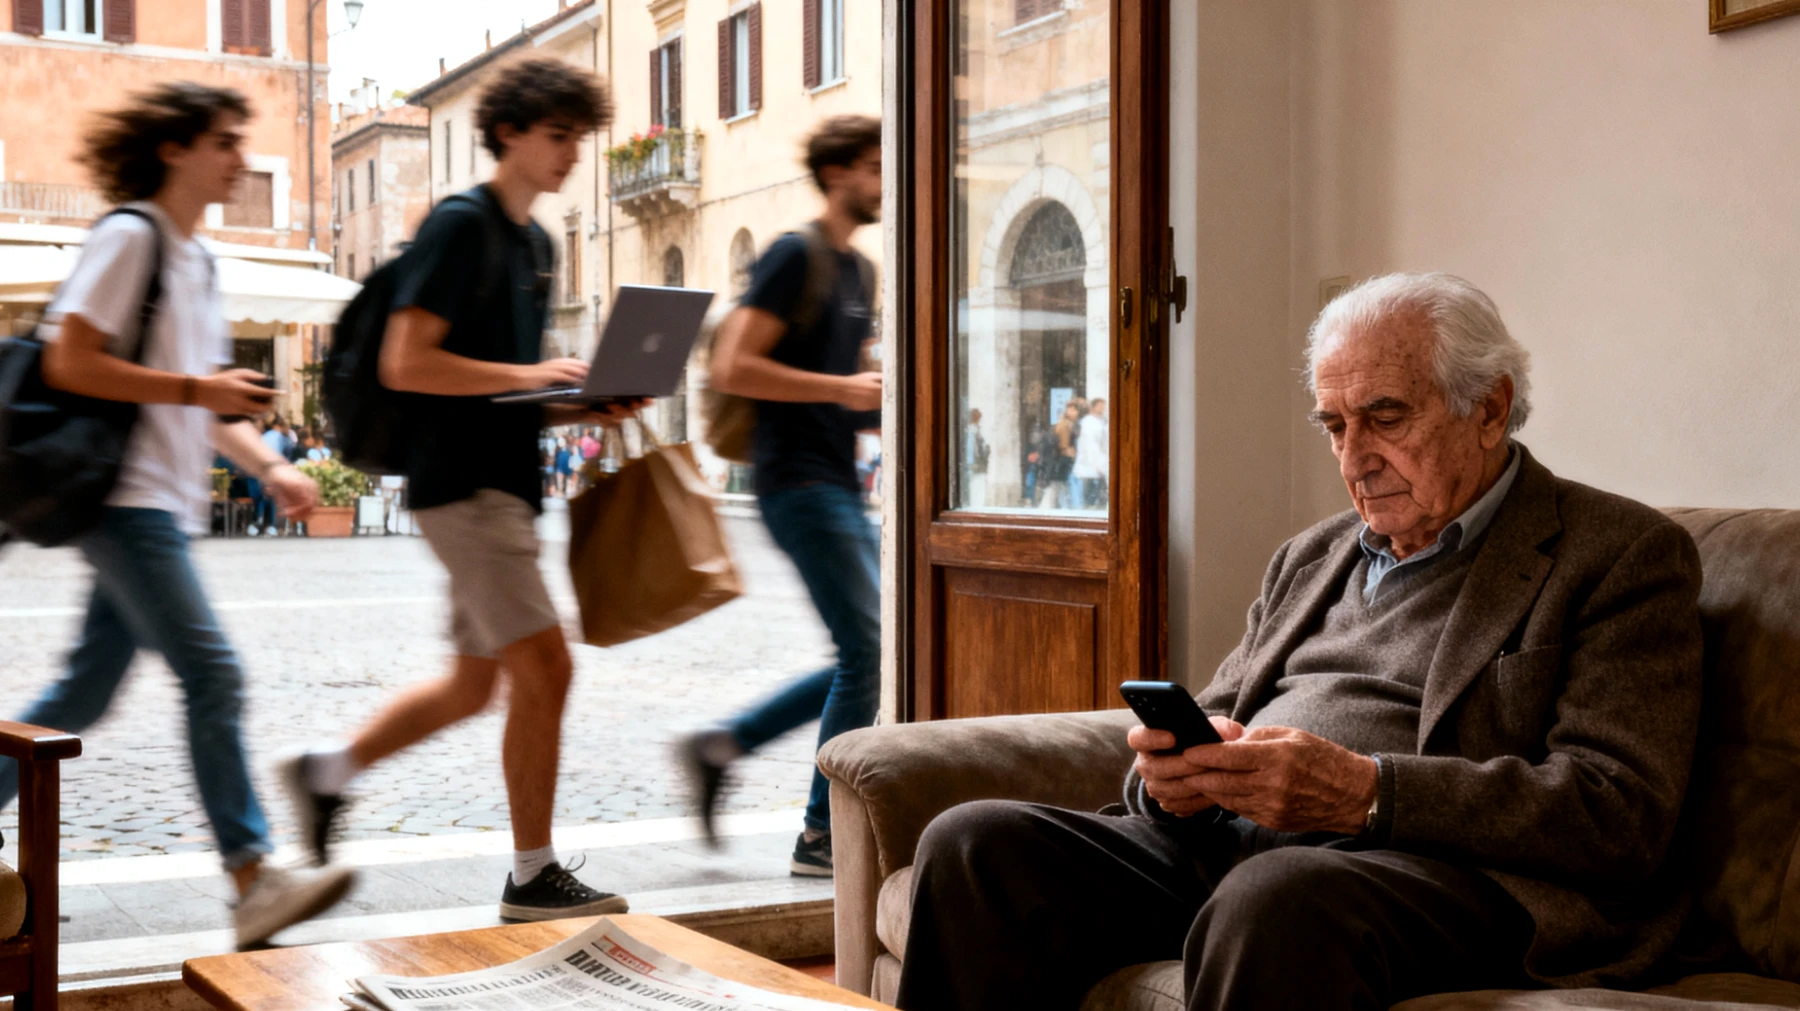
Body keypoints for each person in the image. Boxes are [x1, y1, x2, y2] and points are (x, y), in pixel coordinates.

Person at [895, 273, 1706, 1010]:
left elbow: (1618, 812)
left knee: (1278, 893)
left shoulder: (1617, 553)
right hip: (1242, 849)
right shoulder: (1313, 554)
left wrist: (1366, 792)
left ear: (1489, 408)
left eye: (1385, 416)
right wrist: (1178, 775)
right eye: (1334, 424)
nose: (1354, 458)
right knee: (974, 844)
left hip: (1446, 875)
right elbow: (1216, 713)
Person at [277, 58, 640, 922]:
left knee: (475, 685)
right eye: (559, 136)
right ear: (509, 132)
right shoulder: (461, 226)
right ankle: (531, 874)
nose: (570, 155)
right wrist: (532, 372)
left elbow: (502, 395)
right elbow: (408, 362)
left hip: (505, 481)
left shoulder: (535, 245)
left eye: (579, 139)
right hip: (461, 487)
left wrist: (579, 404)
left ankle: (324, 773)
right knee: (547, 664)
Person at [0, 82, 356, 946]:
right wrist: (197, 388)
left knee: (81, 691)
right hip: (123, 501)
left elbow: (209, 404)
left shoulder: (196, 261)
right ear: (175, 149)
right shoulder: (131, 237)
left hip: (156, 501)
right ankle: (250, 875)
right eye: (226, 143)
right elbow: (71, 360)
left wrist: (274, 466)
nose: (240, 160)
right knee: (214, 673)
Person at [682, 115, 884, 877]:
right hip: (793, 479)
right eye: (873, 165)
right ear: (837, 175)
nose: (883, 179)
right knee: (867, 649)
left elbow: (853, 391)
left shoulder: (859, 272)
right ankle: (819, 834)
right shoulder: (793, 257)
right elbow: (734, 365)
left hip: (836, 477)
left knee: (870, 652)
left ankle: (722, 745)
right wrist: (842, 387)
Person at [1071, 397, 1107, 509]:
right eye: (1100, 406)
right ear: (1094, 407)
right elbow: (1089, 445)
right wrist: (1096, 464)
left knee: (1100, 492)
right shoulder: (1088, 423)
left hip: (1099, 462)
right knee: (1090, 493)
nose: (1103, 409)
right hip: (1090, 464)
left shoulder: (1101, 422)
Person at [962, 407, 988, 507]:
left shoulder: (972, 430)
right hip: (976, 466)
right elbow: (972, 449)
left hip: (974, 465)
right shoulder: (973, 431)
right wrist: (971, 463)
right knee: (977, 488)